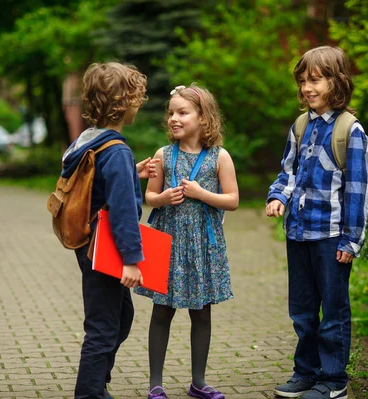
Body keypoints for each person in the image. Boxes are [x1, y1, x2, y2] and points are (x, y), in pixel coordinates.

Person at [266, 46, 368, 399]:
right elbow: (288, 173)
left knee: (334, 310)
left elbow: (358, 190)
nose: (307, 88)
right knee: (302, 309)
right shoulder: (301, 126)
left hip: (331, 237)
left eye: (316, 80)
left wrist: (350, 241)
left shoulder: (349, 130)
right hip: (298, 233)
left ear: (337, 81)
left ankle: (333, 379)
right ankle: (306, 373)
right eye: (303, 81)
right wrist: (277, 197)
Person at [134, 84, 239, 399]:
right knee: (162, 311)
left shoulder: (220, 157)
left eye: (182, 113)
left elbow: (233, 200)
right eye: (171, 113)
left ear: (203, 117)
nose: (173, 119)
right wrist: (163, 197)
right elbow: (149, 196)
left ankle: (198, 382)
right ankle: (156, 383)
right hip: (168, 241)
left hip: (203, 246)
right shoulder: (163, 155)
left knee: (202, 312)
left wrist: (201, 194)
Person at [61, 62, 157, 399]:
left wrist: (132, 170)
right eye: (136, 97)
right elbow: (124, 212)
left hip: (88, 241)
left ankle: (97, 380)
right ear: (122, 103)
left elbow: (96, 182)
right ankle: (89, 392)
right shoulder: (115, 151)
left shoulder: (90, 140)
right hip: (105, 247)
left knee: (121, 314)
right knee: (102, 325)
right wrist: (132, 260)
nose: (139, 103)